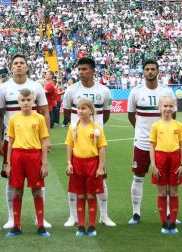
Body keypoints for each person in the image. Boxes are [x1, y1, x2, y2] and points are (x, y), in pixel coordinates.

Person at [0, 54, 50, 230]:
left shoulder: (36, 87)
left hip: (34, 144)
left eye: (22, 63)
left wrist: (47, 139)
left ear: (27, 67)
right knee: (12, 182)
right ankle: (12, 219)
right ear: (11, 67)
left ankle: (40, 219)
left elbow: (45, 111)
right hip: (12, 141)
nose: (19, 66)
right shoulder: (4, 87)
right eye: (15, 64)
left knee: (38, 183)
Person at [62, 57, 115, 227]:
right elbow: (67, 113)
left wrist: (95, 129)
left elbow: (105, 114)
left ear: (93, 71)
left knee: (101, 178)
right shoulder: (71, 90)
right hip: (77, 144)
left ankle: (104, 216)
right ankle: (73, 216)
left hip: (96, 143)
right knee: (75, 183)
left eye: (85, 69)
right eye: (80, 69)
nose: (81, 72)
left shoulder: (104, 91)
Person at [127, 59, 175, 225]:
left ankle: (169, 213)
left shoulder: (167, 92)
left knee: (166, 178)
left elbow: (172, 116)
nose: (150, 72)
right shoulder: (136, 92)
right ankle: (136, 213)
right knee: (138, 176)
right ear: (143, 71)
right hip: (142, 142)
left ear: (157, 71)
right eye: (147, 69)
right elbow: (131, 115)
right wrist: (141, 130)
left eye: (152, 69)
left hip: (163, 143)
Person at [4, 88, 51, 238]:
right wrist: (8, 163)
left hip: (34, 156)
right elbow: (10, 142)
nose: (25, 103)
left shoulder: (39, 119)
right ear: (18, 101)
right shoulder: (14, 119)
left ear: (33, 101)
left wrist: (44, 164)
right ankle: (16, 226)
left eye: (28, 100)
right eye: (23, 100)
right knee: (17, 190)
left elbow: (44, 142)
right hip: (18, 156)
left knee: (37, 191)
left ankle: (41, 225)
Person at [65, 97, 107, 237]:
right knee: (80, 195)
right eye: (79, 108)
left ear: (91, 110)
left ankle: (92, 226)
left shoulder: (96, 129)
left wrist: (100, 167)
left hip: (92, 164)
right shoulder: (73, 127)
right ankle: (81, 225)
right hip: (77, 164)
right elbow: (69, 146)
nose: (81, 111)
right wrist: (69, 163)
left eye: (84, 108)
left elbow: (101, 148)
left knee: (91, 195)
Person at [149, 95, 182, 235]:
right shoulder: (155, 126)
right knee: (162, 192)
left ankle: (173, 223)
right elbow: (152, 146)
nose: (168, 109)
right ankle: (164, 223)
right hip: (160, 159)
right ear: (160, 107)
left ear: (174, 107)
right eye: (165, 106)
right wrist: (153, 165)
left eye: (170, 106)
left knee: (174, 192)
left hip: (175, 158)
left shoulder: (178, 125)